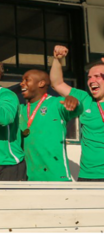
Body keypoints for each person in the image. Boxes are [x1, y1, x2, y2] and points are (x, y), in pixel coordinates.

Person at [50, 46, 104, 182]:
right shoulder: (85, 98)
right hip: (88, 175)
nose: (92, 81)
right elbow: (57, 83)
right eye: (89, 77)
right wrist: (58, 59)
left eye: (97, 76)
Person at [19, 69, 81, 182]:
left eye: (27, 80)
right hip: (29, 179)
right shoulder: (21, 110)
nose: (22, 83)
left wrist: (75, 102)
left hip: (55, 178)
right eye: (22, 80)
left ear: (41, 83)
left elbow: (77, 109)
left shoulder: (56, 103)